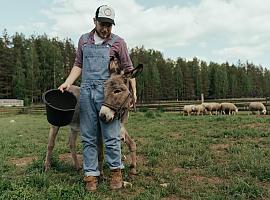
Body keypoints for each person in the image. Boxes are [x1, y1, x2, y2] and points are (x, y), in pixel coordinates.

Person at [58, 5, 136, 191]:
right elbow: (78, 64)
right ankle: (91, 177)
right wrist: (68, 83)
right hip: (86, 94)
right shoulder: (84, 40)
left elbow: (129, 70)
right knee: (88, 137)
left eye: (109, 25)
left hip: (107, 95)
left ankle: (116, 176)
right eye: (103, 24)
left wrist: (133, 92)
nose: (106, 29)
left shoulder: (119, 42)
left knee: (111, 137)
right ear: (94, 21)